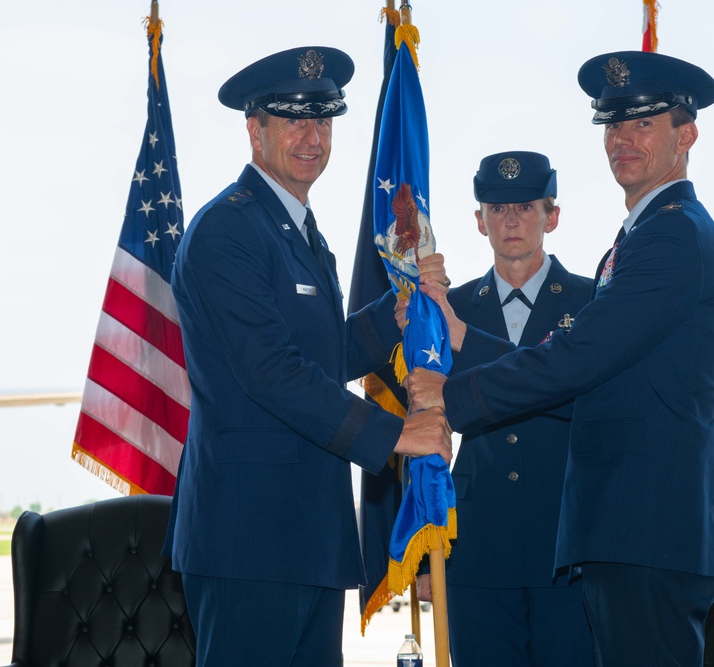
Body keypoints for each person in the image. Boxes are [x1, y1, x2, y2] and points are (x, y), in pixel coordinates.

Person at [405, 51, 714, 667]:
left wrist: (450, 398)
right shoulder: (645, 234)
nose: (623, 140)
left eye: (643, 123)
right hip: (622, 535)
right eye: (613, 125)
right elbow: (590, 375)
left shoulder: (672, 235)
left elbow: (578, 358)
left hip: (646, 534)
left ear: (687, 134)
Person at [162, 46, 452, 666]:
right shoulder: (227, 231)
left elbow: (320, 352)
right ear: (254, 127)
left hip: (309, 536)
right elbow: (270, 371)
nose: (312, 136)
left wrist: (392, 318)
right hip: (247, 543)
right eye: (293, 119)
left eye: (322, 120)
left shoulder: (296, 229)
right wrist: (397, 433)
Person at [416, 151, 594, 666]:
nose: (510, 220)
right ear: (479, 222)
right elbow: (422, 425)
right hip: (474, 544)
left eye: (525, 207)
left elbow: (573, 396)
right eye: (496, 208)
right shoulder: (451, 309)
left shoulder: (592, 305)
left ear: (552, 216)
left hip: (564, 543)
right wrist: (421, 548)